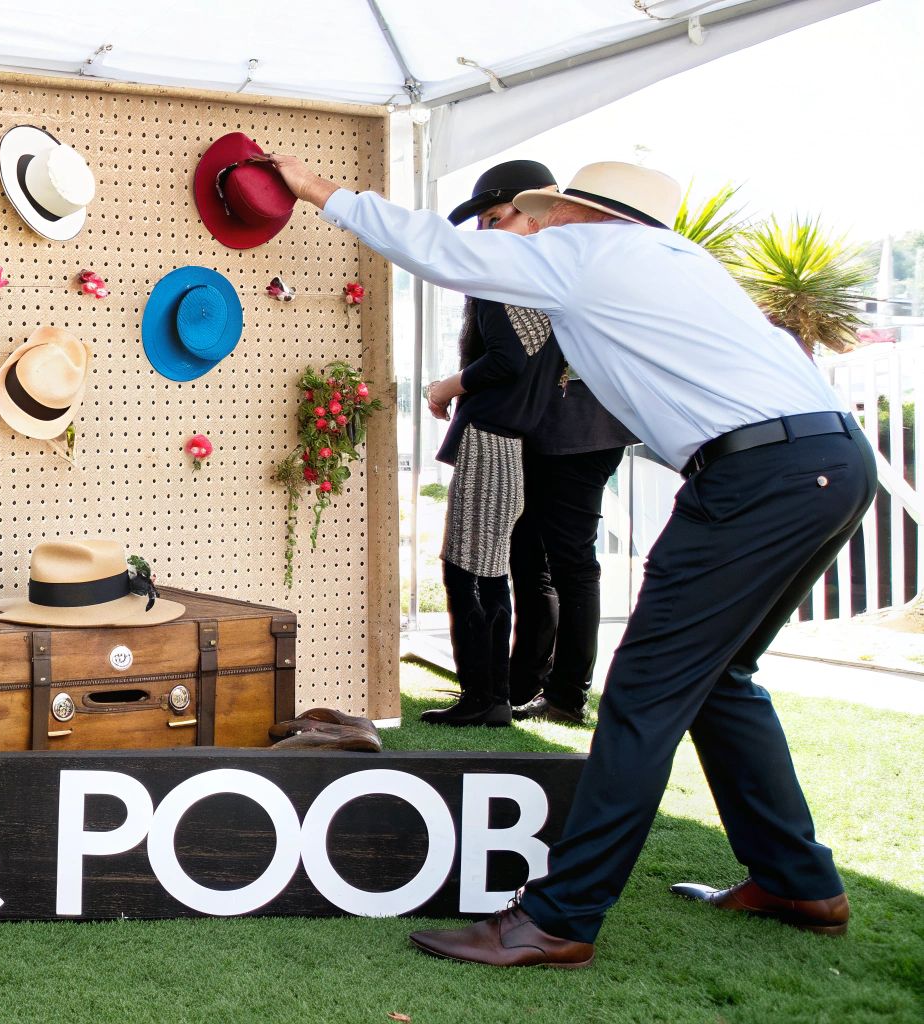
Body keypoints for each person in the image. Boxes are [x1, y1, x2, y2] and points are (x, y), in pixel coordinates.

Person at [256, 154, 873, 966]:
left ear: (587, 215)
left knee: (646, 695)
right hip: (829, 460)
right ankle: (798, 880)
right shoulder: (683, 264)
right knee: (722, 679)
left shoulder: (589, 255)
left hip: (758, 475)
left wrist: (320, 192)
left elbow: (440, 253)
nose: (534, 225)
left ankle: (559, 918)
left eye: (544, 214)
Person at [420, 159, 566, 728]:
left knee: (468, 570)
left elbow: (507, 358)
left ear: (533, 214)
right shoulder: (550, 287)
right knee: (489, 569)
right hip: (521, 438)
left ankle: (484, 699)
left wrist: (445, 387)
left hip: (492, 436)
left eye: (494, 218)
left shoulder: (500, 281)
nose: (486, 233)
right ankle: (490, 695)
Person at [507, 355, 639, 727]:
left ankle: (566, 695)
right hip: (560, 427)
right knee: (531, 556)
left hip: (581, 430)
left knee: (571, 564)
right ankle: (524, 684)